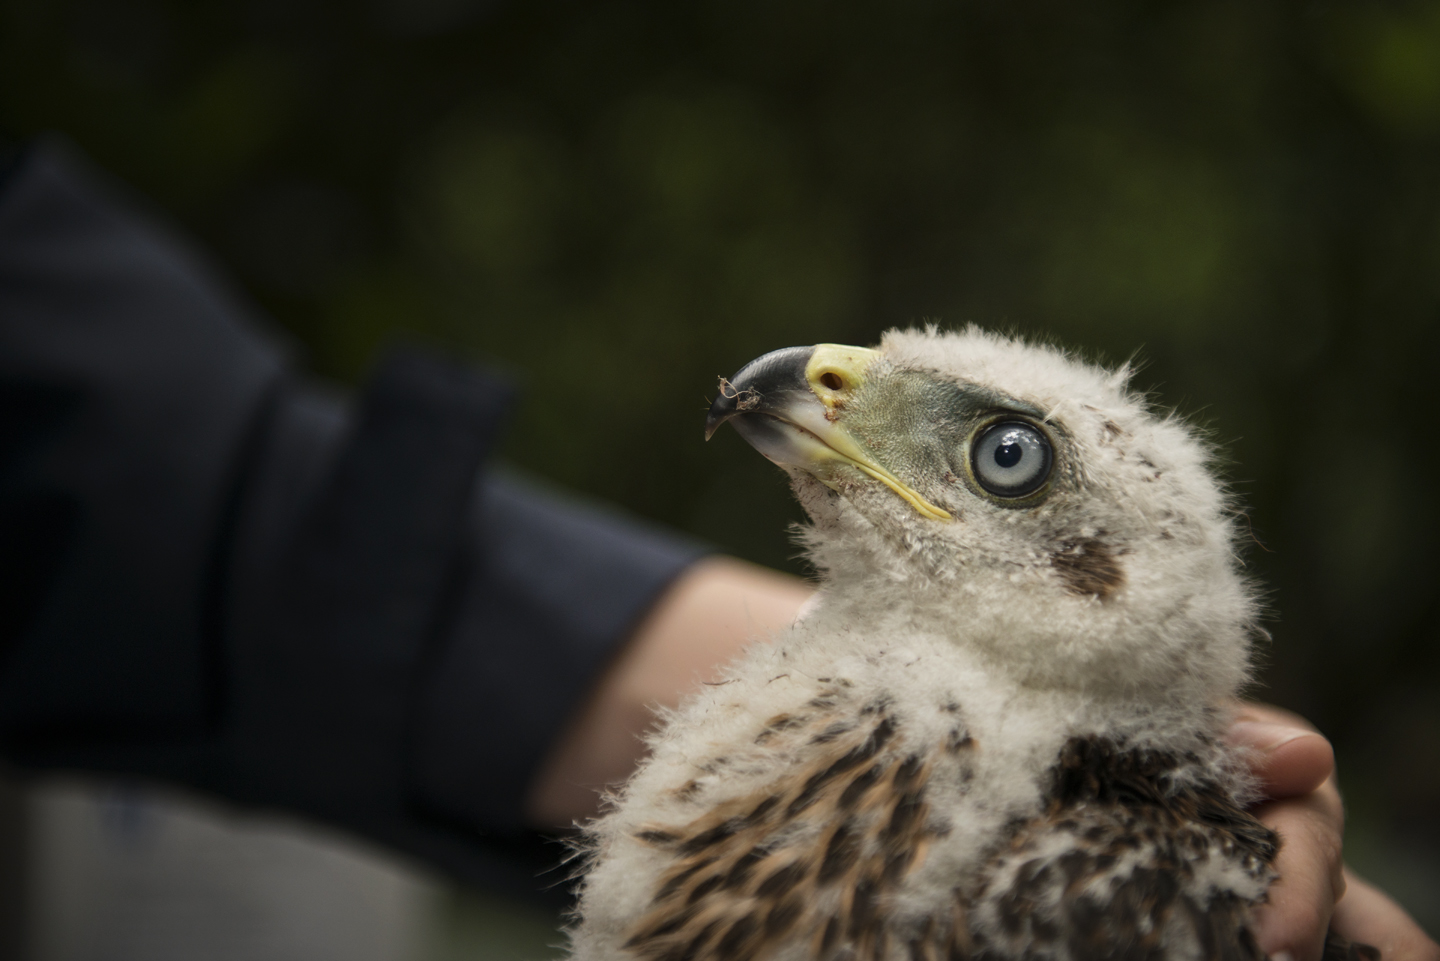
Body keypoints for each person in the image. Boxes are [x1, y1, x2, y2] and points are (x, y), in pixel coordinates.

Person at [0, 138, 1432, 961]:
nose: (821, 382)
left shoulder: (1103, 894)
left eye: (1003, 455)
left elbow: (154, 467)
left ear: (1106, 574)